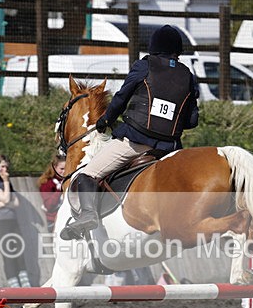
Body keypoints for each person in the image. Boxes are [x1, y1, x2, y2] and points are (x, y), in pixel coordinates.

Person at [60, 24, 200, 240]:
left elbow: (120, 99)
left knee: (88, 174)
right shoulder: (187, 76)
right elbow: (191, 120)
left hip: (135, 141)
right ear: (178, 50)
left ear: (153, 47)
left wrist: (105, 120)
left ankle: (88, 215)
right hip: (169, 149)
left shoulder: (144, 67)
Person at [0, 155, 31, 287]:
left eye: (6, 166)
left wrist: (3, 202)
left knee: (19, 251)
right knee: (8, 253)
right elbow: (5, 198)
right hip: (0, 222)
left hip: (12, 220)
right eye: (2, 166)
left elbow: (15, 203)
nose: (5, 169)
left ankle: (25, 282)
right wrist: (5, 182)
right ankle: (13, 283)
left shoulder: (7, 183)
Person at [38, 155, 67, 232]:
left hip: (67, 219)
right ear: (54, 167)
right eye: (61, 169)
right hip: (54, 221)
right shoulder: (47, 184)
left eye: (66, 169)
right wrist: (59, 190)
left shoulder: (69, 181)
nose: (64, 172)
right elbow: (49, 206)